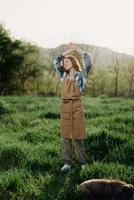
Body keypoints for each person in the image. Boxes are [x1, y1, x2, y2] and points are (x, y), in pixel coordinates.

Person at [53, 43, 92, 172]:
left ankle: (82, 163)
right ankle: (67, 163)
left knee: (78, 136)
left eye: (67, 61)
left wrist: (77, 49)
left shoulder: (81, 75)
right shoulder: (62, 75)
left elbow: (88, 60)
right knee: (65, 136)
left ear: (73, 62)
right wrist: (67, 51)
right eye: (64, 62)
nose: (64, 63)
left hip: (76, 106)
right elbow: (56, 61)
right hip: (65, 106)